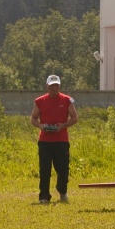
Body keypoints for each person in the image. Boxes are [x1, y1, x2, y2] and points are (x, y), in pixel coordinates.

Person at [30, 75, 78, 203]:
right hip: (45, 141)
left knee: (63, 170)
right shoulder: (39, 101)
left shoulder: (67, 100)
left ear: (60, 86)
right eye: (52, 85)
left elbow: (74, 118)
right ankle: (44, 197)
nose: (54, 88)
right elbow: (33, 119)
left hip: (61, 141)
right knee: (45, 170)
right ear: (47, 86)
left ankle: (62, 191)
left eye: (56, 85)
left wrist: (63, 125)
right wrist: (41, 126)